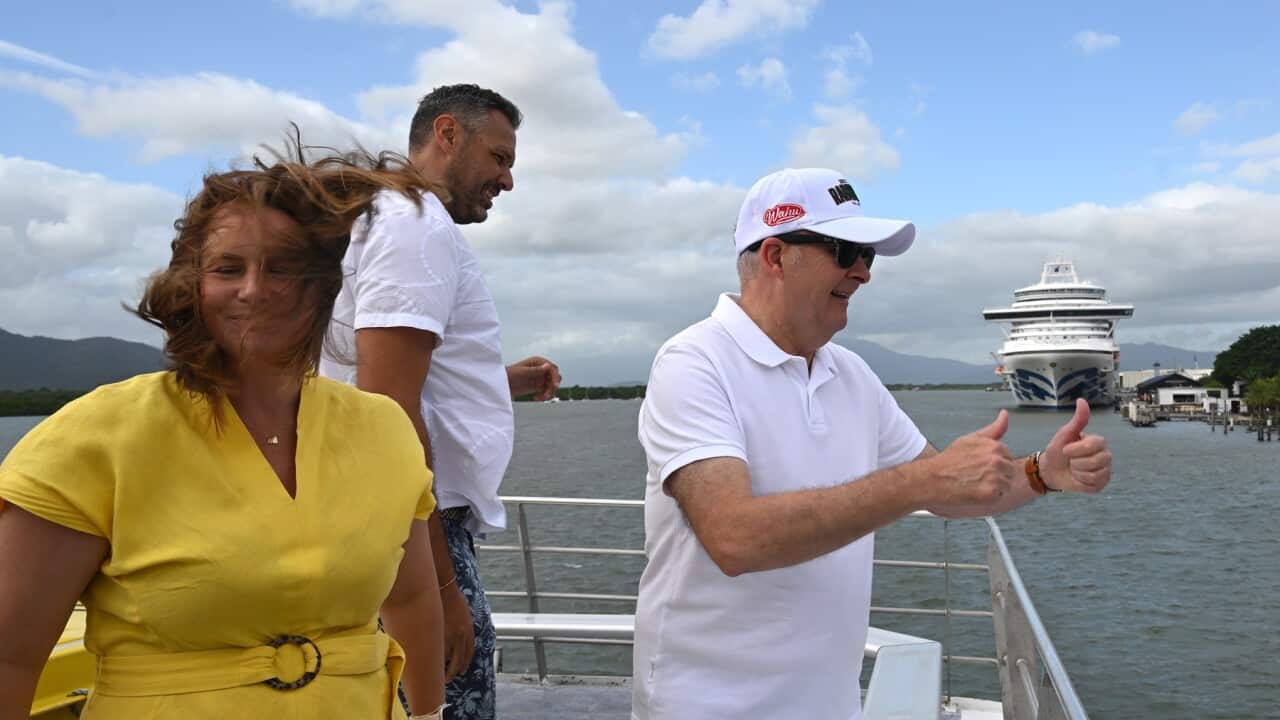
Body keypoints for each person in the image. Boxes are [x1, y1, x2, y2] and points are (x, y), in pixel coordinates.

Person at [631, 167, 1113, 719]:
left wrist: (1041, 472)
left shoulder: (850, 373)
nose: (862, 273)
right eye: (845, 251)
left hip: (829, 703)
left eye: (870, 257)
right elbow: (734, 538)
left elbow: (945, 489)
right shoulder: (694, 363)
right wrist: (922, 481)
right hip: (707, 705)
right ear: (774, 256)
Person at [0, 146, 450, 719]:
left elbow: (410, 595)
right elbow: (10, 657)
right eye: (227, 268)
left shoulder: (383, 429)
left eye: (282, 267)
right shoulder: (94, 439)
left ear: (321, 287)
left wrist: (431, 712)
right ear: (191, 284)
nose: (254, 290)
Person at [320, 84, 561, 720]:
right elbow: (388, 415)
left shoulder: (379, 215)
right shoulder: (416, 226)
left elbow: (373, 374)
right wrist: (440, 591)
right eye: (499, 157)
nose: (508, 180)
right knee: (443, 695)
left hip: (380, 517)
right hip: (417, 527)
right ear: (447, 134)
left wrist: (496, 382)